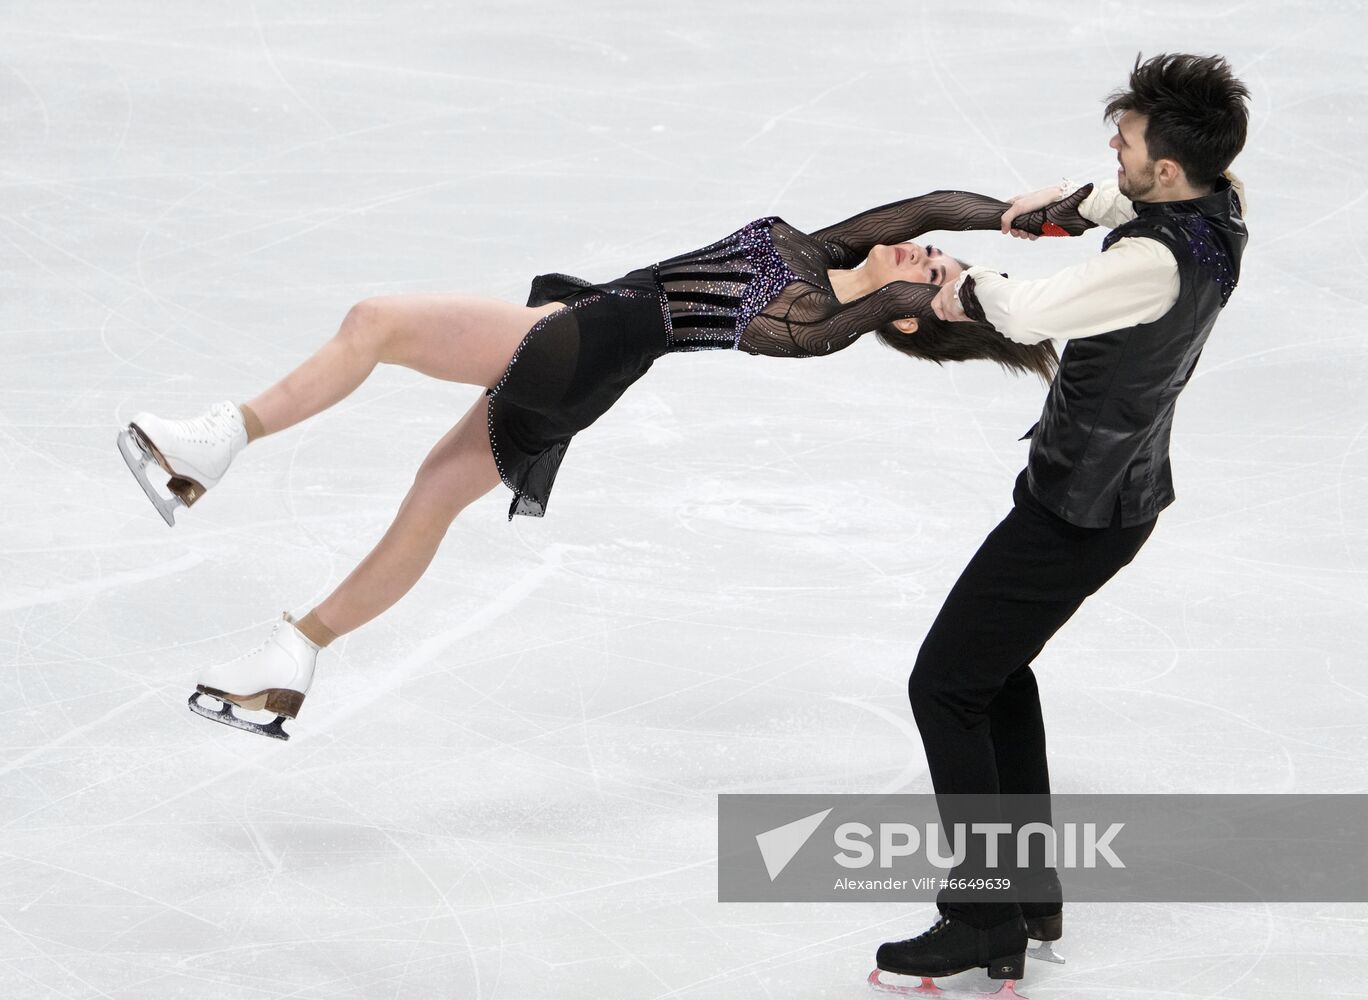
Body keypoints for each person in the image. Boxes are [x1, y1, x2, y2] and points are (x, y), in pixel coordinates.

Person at [117, 188, 1090, 740]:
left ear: (913, 317)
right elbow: (929, 201)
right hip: (581, 348)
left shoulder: (808, 320)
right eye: (932, 256)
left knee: (375, 325)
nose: (924, 252)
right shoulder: (824, 251)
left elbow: (846, 327)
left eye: (932, 275)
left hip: (575, 343)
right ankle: (294, 654)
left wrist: (962, 305)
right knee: (431, 495)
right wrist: (1026, 215)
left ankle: (211, 443)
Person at [872, 53, 1250, 990]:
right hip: (1110, 495)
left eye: (1123, 144)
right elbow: (1124, 207)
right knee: (994, 678)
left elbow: (1029, 310)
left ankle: (980, 917)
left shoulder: (1151, 267)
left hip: (1075, 513)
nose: (1111, 151)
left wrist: (956, 279)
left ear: (1167, 169)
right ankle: (1027, 891)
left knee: (945, 686)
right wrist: (1076, 206)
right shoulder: (1220, 208)